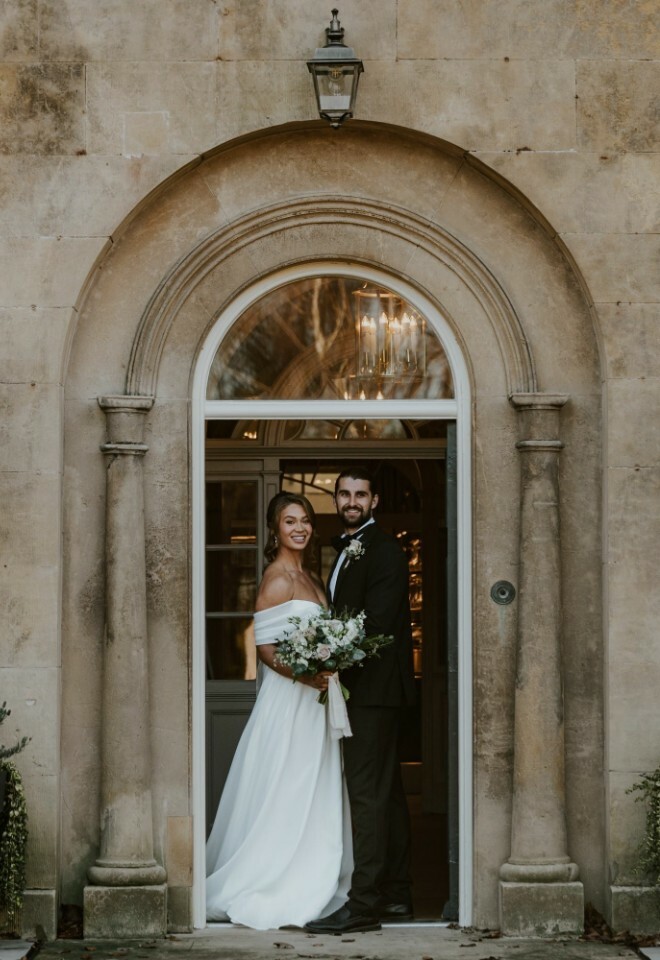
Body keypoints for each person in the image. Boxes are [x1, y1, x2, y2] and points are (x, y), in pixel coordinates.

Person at [205, 492, 353, 930]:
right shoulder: (277, 578)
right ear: (275, 530)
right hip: (291, 700)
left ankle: (312, 870)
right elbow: (265, 648)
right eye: (290, 522)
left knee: (313, 785)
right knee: (286, 785)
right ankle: (274, 878)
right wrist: (305, 676)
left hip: (316, 700)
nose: (300, 528)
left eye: (305, 520)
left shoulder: (310, 577)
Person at [305, 467, 416, 934]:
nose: (351, 501)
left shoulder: (385, 548)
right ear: (337, 498)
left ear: (374, 502)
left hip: (374, 690)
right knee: (385, 794)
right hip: (365, 690)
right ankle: (394, 894)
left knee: (367, 796)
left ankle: (364, 904)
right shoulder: (349, 549)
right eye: (344, 493)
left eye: (360, 494)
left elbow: (375, 623)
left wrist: (329, 656)